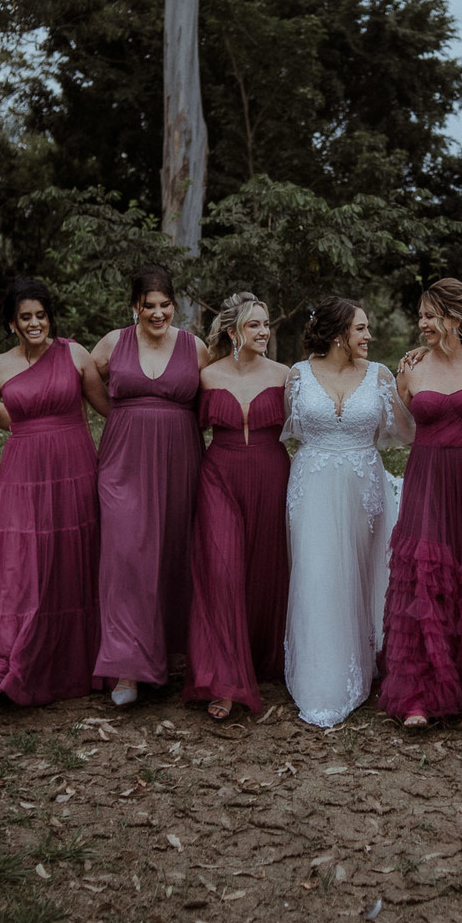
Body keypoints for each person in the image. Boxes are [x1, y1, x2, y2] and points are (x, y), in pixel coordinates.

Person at [0, 278, 108, 706]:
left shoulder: (75, 354)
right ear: (12, 323)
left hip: (75, 472)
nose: (34, 323)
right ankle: (3, 660)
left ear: (50, 318)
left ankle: (68, 659)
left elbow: (110, 409)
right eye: (25, 317)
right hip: (23, 475)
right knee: (19, 564)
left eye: (41, 316)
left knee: (70, 558)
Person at [281, 296, 414, 728]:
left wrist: (412, 377)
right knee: (317, 574)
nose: (368, 335)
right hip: (313, 486)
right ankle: (323, 679)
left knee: (363, 571)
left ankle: (366, 659)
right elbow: (292, 426)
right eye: (361, 328)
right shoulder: (298, 375)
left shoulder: (380, 375)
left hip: (364, 486)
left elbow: (405, 431)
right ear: (339, 334)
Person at [379, 278, 462, 727]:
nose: (423, 324)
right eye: (420, 316)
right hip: (427, 479)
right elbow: (396, 430)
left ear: (457, 318)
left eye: (430, 315)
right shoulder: (410, 370)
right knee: (425, 575)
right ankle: (418, 691)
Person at [90, 266, 208, 708]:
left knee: (173, 554)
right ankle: (127, 668)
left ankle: (166, 655)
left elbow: (218, 391)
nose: (158, 314)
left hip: (180, 461)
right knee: (125, 556)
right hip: (123, 461)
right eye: (148, 306)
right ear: (134, 307)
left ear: (174, 306)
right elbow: (83, 381)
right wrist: (123, 415)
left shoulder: (195, 347)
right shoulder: (111, 344)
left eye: (165, 305)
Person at [184, 292, 290, 720]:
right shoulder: (206, 377)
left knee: (266, 570)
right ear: (232, 332)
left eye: (266, 324)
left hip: (271, 475)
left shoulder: (286, 375)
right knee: (221, 572)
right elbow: (185, 427)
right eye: (253, 325)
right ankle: (224, 679)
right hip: (219, 477)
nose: (263, 332)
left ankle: (261, 657)